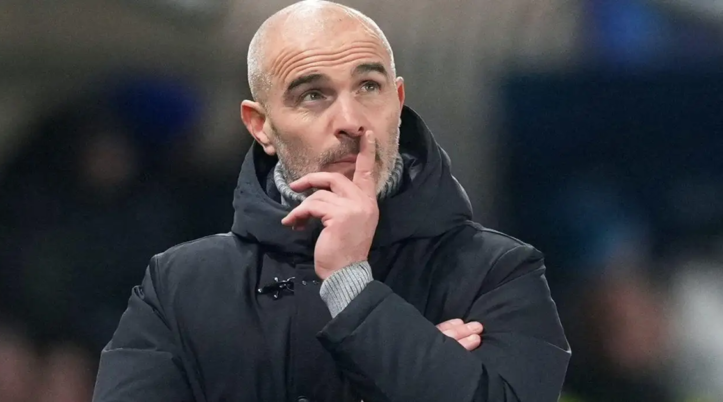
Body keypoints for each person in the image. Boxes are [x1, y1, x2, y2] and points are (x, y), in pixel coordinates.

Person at [92, 1, 570, 401]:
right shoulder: (180, 285)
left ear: (398, 100)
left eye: (369, 87)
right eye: (313, 94)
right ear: (261, 126)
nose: (350, 120)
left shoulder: (498, 272)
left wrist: (351, 288)